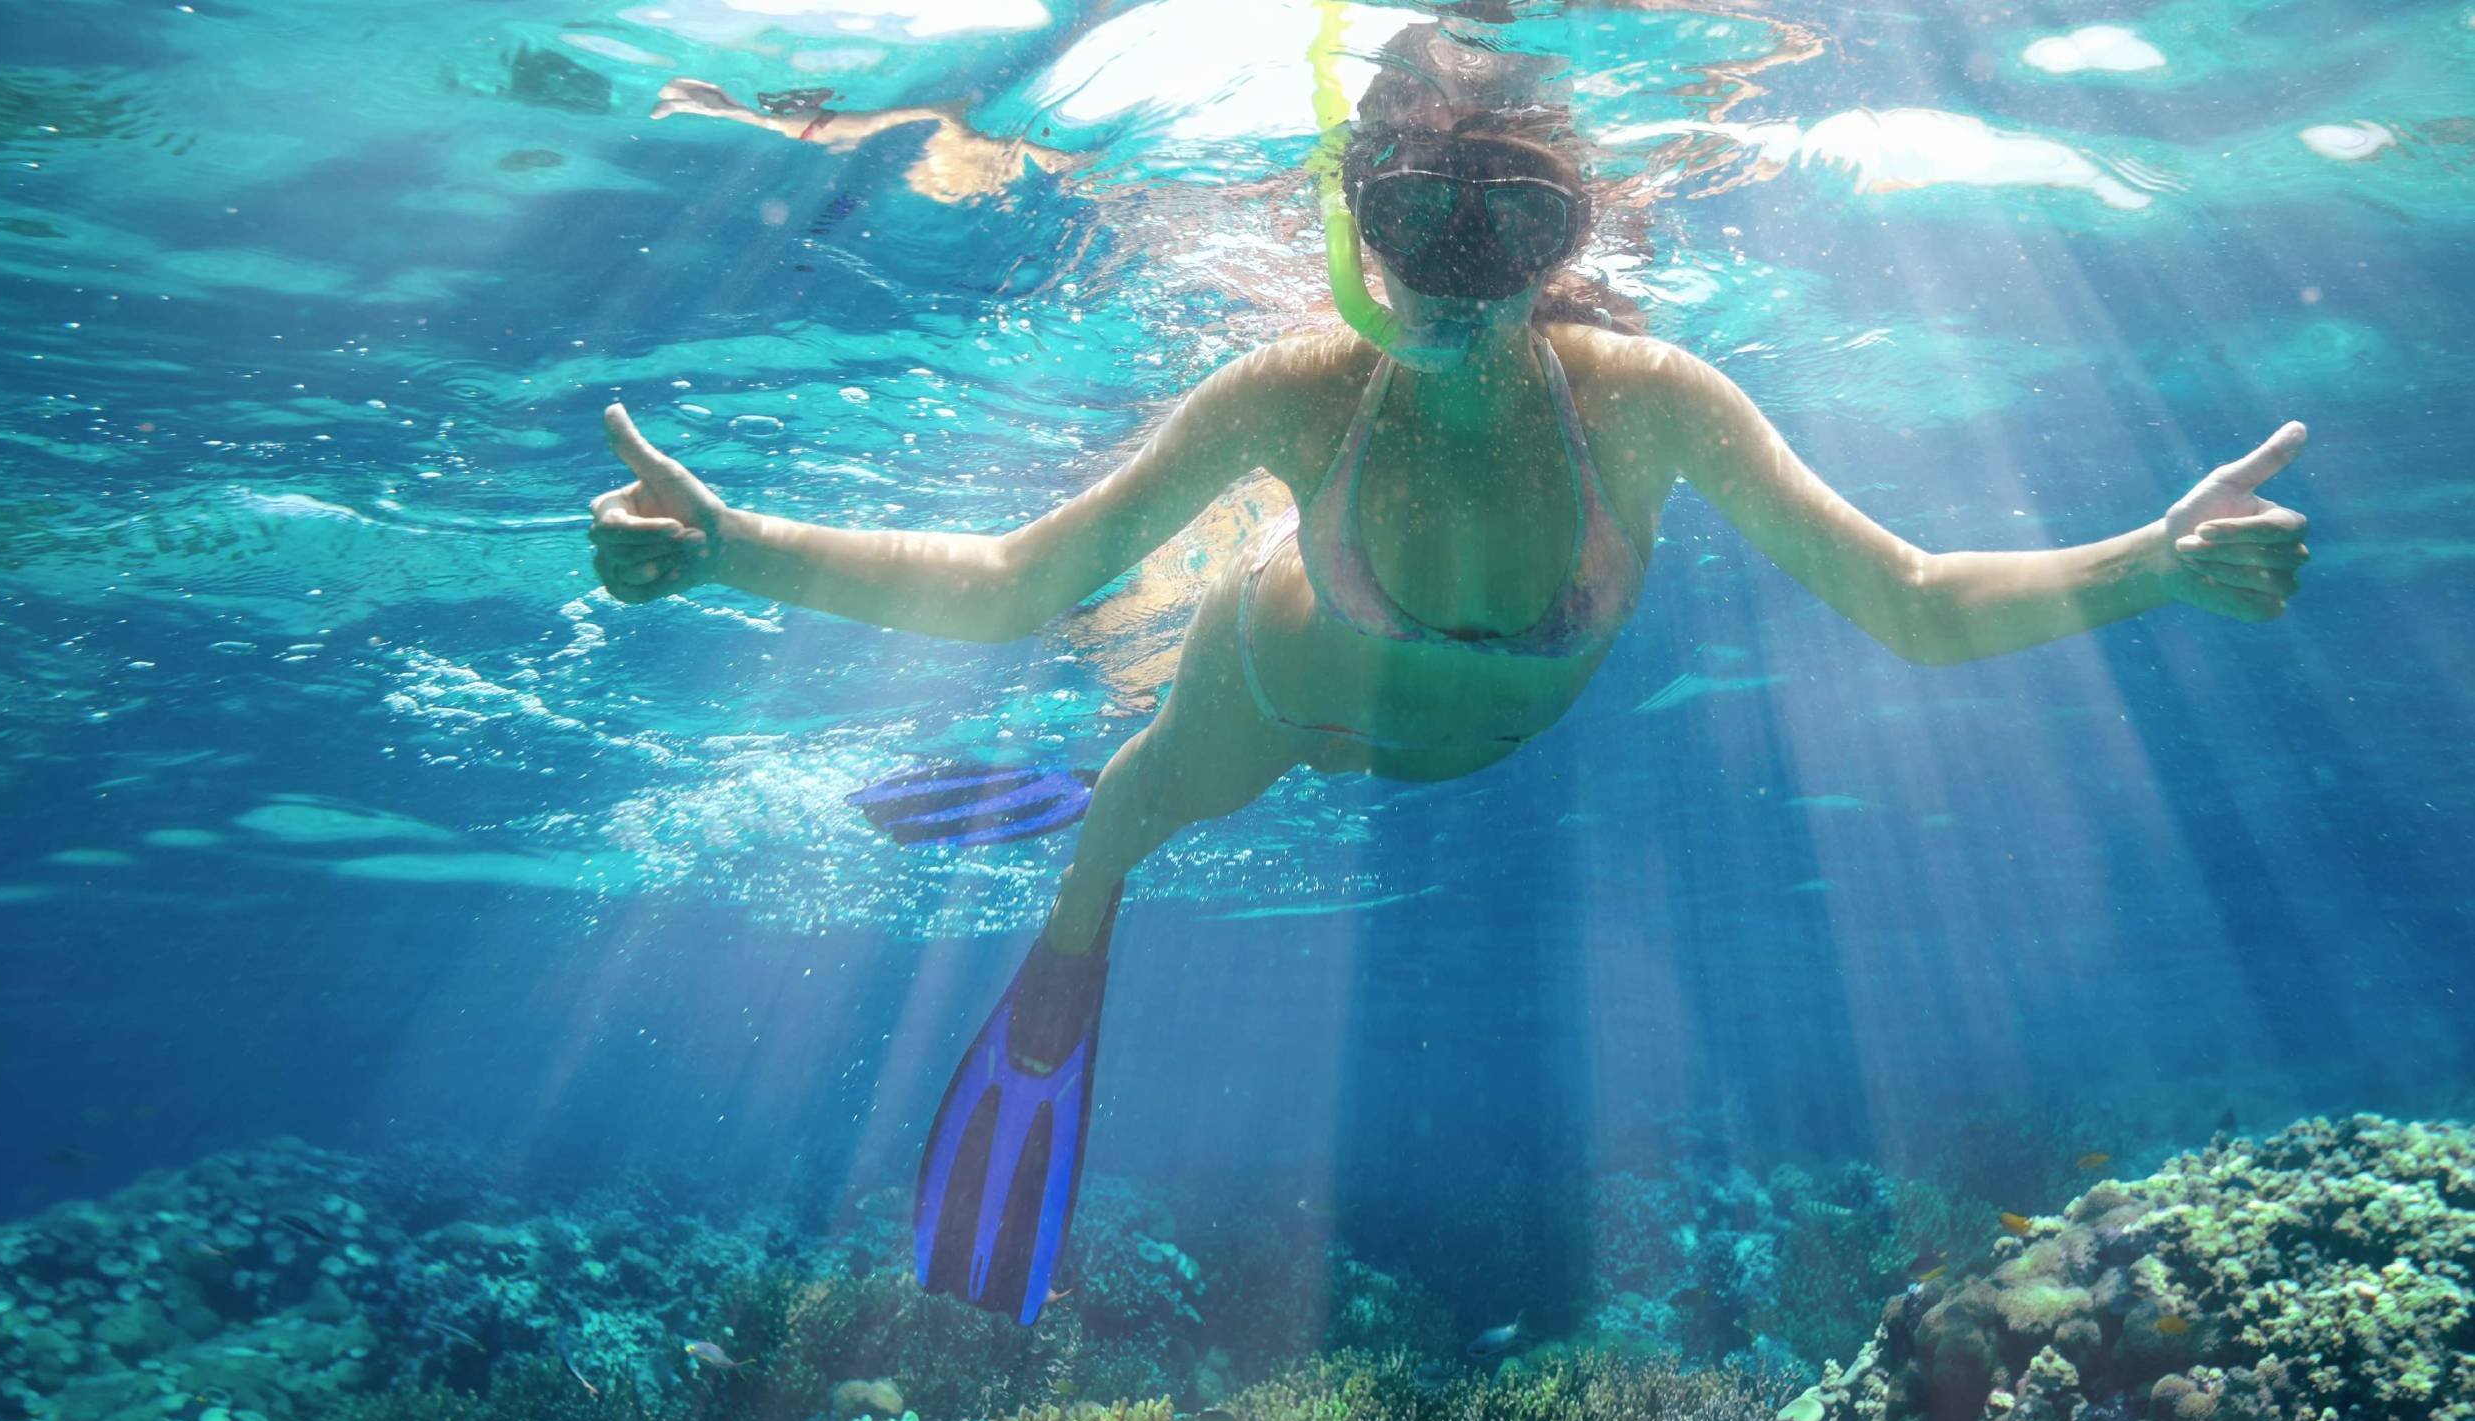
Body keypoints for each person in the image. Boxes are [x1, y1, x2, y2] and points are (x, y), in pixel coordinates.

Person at [584, 27, 2311, 1324]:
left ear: (1564, 236)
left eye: (1511, 222)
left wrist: (2149, 562)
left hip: (1411, 725)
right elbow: (1021, 575)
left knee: (1159, 737)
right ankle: (1072, 908)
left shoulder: (1648, 398)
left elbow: (1915, 599)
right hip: (1272, 701)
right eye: (1421, 214)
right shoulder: (1291, 388)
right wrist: (733, 546)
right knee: (1143, 801)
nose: (1460, 270)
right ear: (1363, 223)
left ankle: (1088, 797)